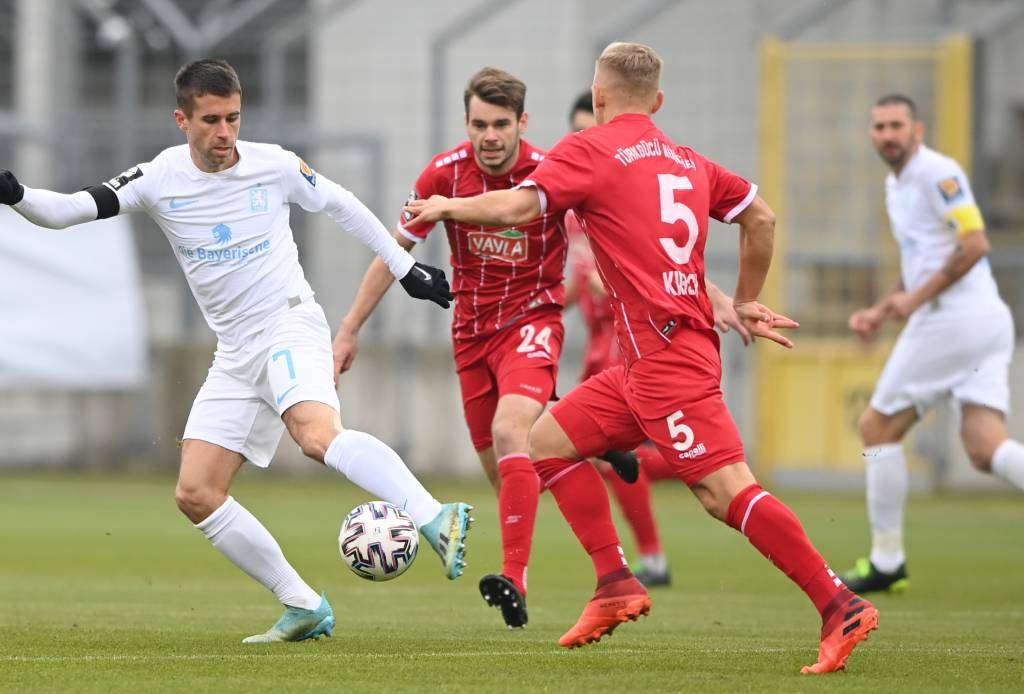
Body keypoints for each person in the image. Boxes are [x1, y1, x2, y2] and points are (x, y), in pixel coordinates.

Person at [405, 42, 877, 675]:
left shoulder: (590, 149)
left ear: (598, 98)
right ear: (657, 101)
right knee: (545, 443)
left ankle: (837, 602)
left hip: (667, 362)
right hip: (647, 361)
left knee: (724, 491)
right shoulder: (686, 160)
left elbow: (519, 205)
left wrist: (447, 205)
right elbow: (760, 216)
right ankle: (616, 584)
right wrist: (743, 300)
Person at [0, 58, 473, 644]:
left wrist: (407, 267)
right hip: (236, 352)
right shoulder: (158, 178)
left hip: (289, 325)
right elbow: (67, 211)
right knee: (196, 493)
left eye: (233, 118)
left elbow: (343, 205)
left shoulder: (275, 165)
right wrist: (18, 196)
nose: (224, 134)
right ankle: (304, 604)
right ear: (181, 119)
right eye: (210, 120)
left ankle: (433, 514)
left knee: (316, 435)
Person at [334, 67, 584, 629]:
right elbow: (391, 252)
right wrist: (349, 329)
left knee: (509, 431)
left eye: (501, 124)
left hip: (533, 321)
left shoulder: (550, 173)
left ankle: (514, 578)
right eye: (479, 124)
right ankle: (575, 430)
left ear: (523, 123)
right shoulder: (442, 173)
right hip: (470, 336)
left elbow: (600, 234)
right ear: (466, 123)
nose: (489, 135)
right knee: (507, 474)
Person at [839, 94, 1024, 593]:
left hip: (954, 323)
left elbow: (975, 242)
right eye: (878, 127)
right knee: (985, 448)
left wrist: (915, 300)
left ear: (917, 129)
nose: (887, 135)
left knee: (876, 428)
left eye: (896, 125)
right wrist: (884, 307)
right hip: (982, 323)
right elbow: (924, 255)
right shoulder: (895, 185)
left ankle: (887, 561)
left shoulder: (938, 172)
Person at [562, 90, 742, 588]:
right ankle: (635, 564)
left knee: (608, 454)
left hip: (639, 341)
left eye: (591, 128)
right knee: (584, 450)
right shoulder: (574, 204)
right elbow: (578, 284)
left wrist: (723, 295)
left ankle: (649, 559)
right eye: (578, 132)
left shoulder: (624, 186)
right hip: (605, 339)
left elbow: (662, 257)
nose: (586, 138)